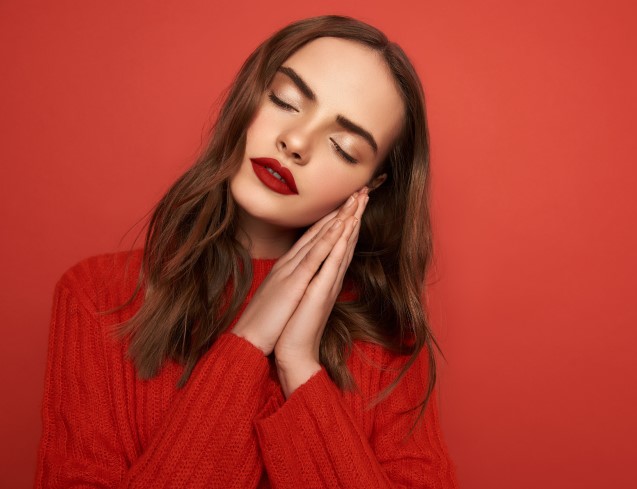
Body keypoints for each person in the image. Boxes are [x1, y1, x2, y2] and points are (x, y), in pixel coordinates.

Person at [34, 14, 459, 488]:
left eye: (342, 147)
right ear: (246, 95)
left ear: (371, 185)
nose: (295, 143)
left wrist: (299, 363)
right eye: (284, 100)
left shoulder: (389, 337)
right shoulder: (97, 299)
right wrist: (249, 341)